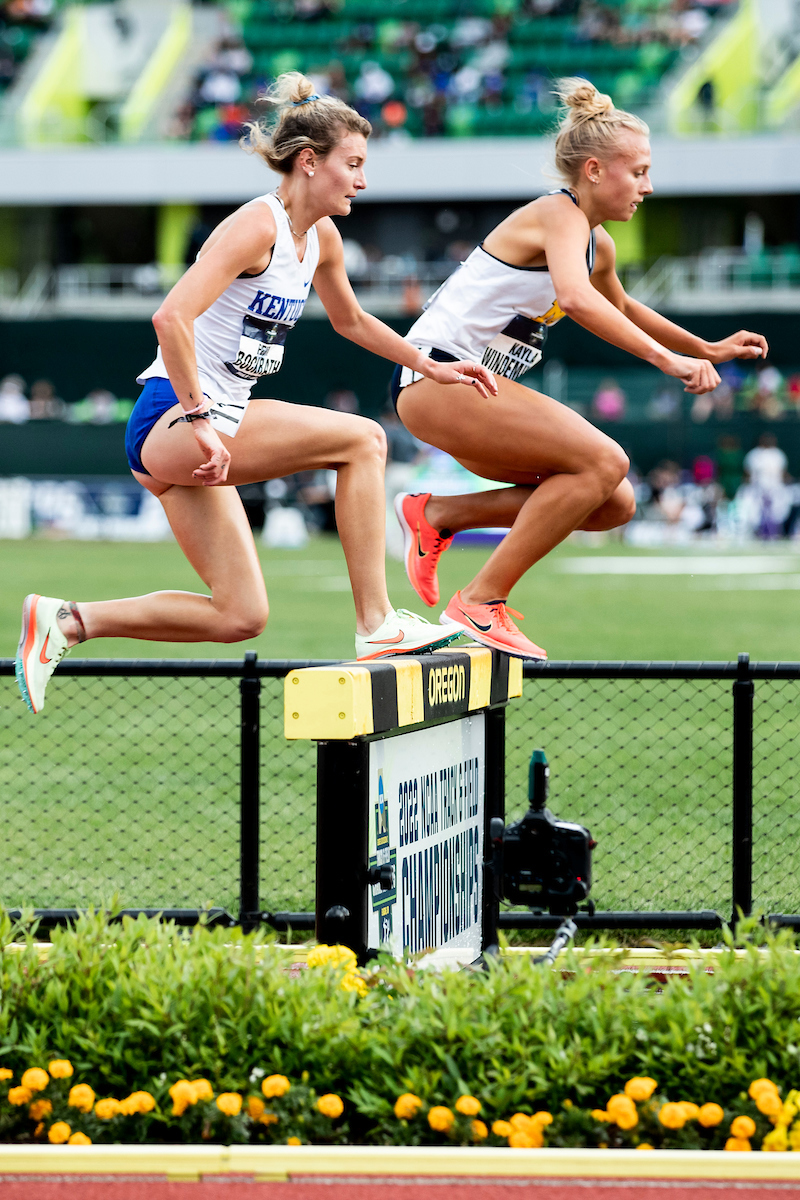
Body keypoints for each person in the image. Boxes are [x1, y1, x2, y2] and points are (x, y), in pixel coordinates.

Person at [15, 71, 495, 715]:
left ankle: (67, 621)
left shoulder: (321, 238)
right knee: (364, 440)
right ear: (308, 161)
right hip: (173, 421)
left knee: (240, 614)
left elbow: (351, 321)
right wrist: (201, 418)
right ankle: (377, 623)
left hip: (206, 432)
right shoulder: (256, 225)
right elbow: (170, 318)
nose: (362, 180)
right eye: (352, 164)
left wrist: (428, 366)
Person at [392, 77, 768, 658]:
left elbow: (621, 307)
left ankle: (441, 513)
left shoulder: (598, 242)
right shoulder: (556, 214)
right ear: (594, 170)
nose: (649, 185)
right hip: (438, 381)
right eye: (637, 171)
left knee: (612, 502)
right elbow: (576, 298)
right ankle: (479, 601)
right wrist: (668, 362)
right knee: (605, 459)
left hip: (473, 392)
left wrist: (707, 348)